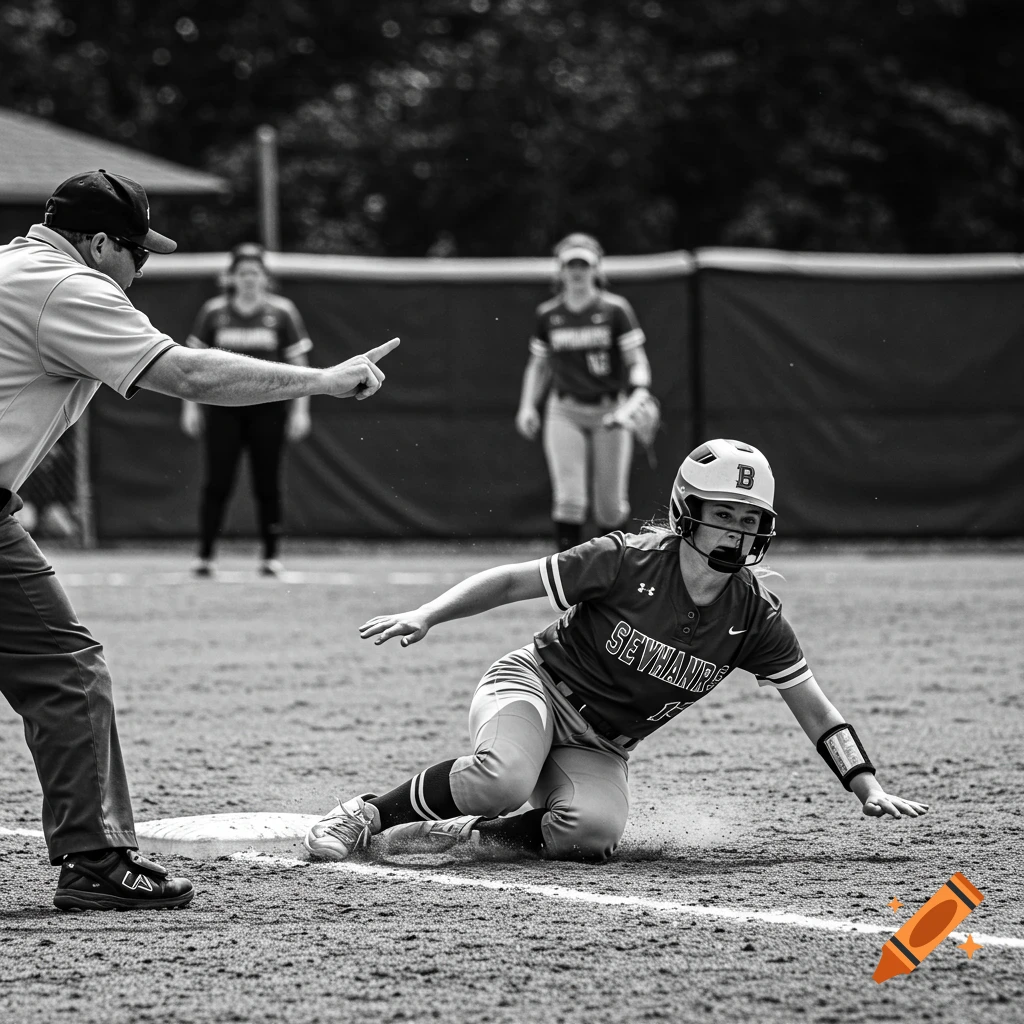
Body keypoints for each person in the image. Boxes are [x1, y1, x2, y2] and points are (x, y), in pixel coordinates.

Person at [0, 169, 399, 910]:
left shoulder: (12, 267)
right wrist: (321, 379)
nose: (140, 269)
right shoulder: (67, 287)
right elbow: (187, 373)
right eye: (134, 253)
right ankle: (94, 861)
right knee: (66, 670)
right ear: (94, 243)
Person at [305, 438, 927, 864]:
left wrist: (866, 785)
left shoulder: (753, 614)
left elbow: (815, 707)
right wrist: (427, 614)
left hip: (600, 743)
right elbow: (513, 580)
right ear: (688, 513)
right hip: (536, 686)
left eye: (750, 519)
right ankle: (361, 815)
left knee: (591, 835)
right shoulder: (625, 560)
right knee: (504, 776)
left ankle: (467, 831)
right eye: (724, 514)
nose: (738, 531)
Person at [515, 233, 654, 552]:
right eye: (570, 264)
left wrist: (638, 391)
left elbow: (637, 361)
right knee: (570, 499)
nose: (577, 271)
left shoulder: (616, 310)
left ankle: (615, 579)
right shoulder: (549, 314)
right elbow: (539, 365)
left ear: (596, 269)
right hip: (564, 409)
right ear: (560, 270)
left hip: (611, 412)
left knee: (610, 505)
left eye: (584, 264)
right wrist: (527, 406)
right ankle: (568, 582)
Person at [181, 243, 314, 577]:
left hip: (268, 410)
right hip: (223, 409)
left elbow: (300, 364)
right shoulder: (214, 312)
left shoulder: (282, 312)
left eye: (255, 272)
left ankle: (271, 556)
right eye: (243, 273)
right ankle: (206, 556)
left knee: (267, 483)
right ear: (231, 277)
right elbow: (189, 365)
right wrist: (190, 408)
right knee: (217, 483)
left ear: (265, 277)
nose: (249, 279)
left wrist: (301, 411)